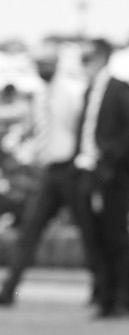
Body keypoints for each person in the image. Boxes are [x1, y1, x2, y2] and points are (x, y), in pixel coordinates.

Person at [0, 41, 99, 308]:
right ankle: (9, 290)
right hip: (50, 171)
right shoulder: (43, 93)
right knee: (30, 230)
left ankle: (101, 289)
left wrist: (81, 164)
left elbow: (81, 128)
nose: (40, 69)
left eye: (45, 64)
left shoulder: (69, 92)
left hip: (70, 169)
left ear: (55, 65)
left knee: (88, 231)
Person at [72, 36, 129, 320]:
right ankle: (106, 298)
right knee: (96, 238)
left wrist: (112, 156)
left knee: (116, 236)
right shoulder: (89, 91)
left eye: (87, 59)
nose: (83, 65)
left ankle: (126, 300)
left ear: (102, 58)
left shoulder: (118, 89)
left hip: (113, 175)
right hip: (88, 172)